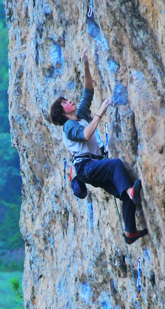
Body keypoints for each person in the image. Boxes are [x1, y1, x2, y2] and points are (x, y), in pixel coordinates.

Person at [49, 48, 148, 245]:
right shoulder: (69, 125)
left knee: (124, 188)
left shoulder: (81, 115)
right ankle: (130, 192)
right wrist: (100, 112)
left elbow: (88, 91)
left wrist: (85, 64)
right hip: (86, 167)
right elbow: (85, 135)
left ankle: (130, 232)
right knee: (116, 166)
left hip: (92, 167)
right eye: (65, 102)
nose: (70, 101)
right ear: (63, 112)